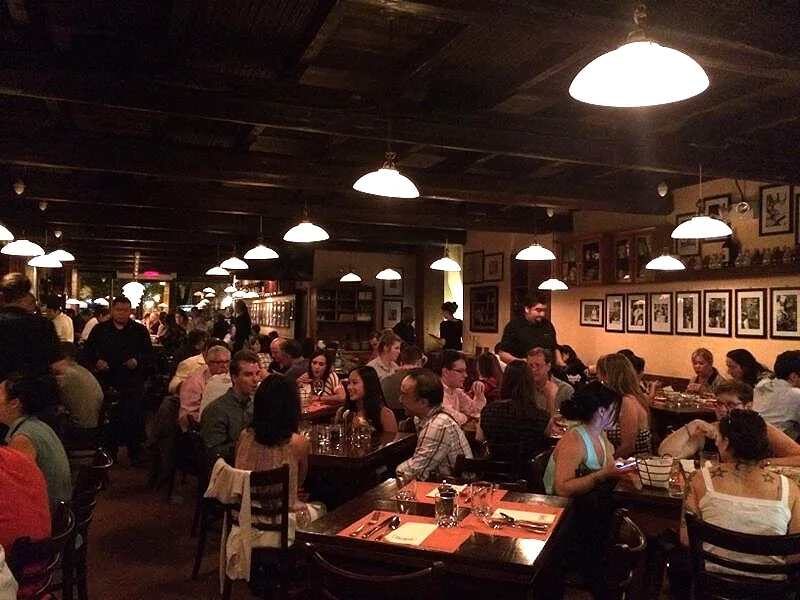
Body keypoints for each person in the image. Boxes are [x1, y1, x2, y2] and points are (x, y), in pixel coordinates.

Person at [679, 410, 800, 573]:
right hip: (770, 591)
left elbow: (686, 539)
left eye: (718, 438)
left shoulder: (698, 479)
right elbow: (795, 555)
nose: (715, 443)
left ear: (727, 442)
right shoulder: (789, 488)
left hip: (712, 585)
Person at [543, 380, 631, 591]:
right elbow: (561, 488)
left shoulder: (600, 435)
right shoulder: (575, 439)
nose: (617, 415)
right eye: (614, 410)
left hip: (585, 511)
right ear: (602, 410)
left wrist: (620, 466)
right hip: (563, 515)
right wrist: (601, 475)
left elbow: (609, 465)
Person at [235, 374, 322, 519]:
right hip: (282, 521)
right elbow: (299, 483)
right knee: (324, 505)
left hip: (244, 517)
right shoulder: (299, 443)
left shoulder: (244, 435)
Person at [659, 380, 800, 465]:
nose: (723, 409)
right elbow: (666, 454)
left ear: (748, 406)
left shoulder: (761, 428)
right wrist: (693, 424)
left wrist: (764, 463)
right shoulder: (710, 429)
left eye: (731, 405)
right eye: (719, 404)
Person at [84, 295, 152, 465]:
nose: (122, 313)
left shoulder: (139, 330)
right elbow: (87, 352)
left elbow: (149, 354)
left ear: (130, 311)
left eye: (125, 310)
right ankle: (109, 450)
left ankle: (135, 449)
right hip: (108, 379)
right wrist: (96, 361)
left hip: (132, 379)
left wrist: (137, 360)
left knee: (133, 415)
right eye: (118, 310)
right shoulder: (100, 329)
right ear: (112, 310)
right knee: (111, 418)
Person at [0, 374, 72, 511]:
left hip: (46, 515)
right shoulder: (37, 425)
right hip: (58, 508)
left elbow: (14, 491)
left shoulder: (23, 438)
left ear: (15, 403)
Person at [396, 368, 472, 481]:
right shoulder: (421, 418)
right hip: (440, 484)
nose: (400, 400)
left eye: (404, 395)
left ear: (423, 403)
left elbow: (411, 473)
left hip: (457, 489)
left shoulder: (438, 425)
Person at [476, 359, 550, 457]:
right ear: (530, 384)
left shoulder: (489, 411)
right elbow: (548, 440)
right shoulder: (542, 418)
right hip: (526, 470)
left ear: (505, 381)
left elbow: (479, 438)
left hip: (493, 469)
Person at [200, 350, 260, 464]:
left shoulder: (255, 405)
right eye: (248, 374)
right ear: (234, 378)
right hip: (227, 472)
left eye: (257, 373)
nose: (255, 380)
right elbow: (214, 453)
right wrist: (250, 445)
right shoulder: (216, 410)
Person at [0, 273, 59, 383]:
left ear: (3, 295)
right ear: (26, 295)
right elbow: (56, 363)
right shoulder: (43, 324)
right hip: (36, 390)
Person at [597, 353, 651, 458]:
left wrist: (604, 466)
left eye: (599, 376)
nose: (598, 380)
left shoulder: (627, 402)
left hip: (633, 465)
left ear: (607, 376)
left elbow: (628, 447)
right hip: (619, 462)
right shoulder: (619, 399)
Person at [50, 341, 103, 446]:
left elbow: (48, 398)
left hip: (81, 430)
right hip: (95, 425)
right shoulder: (81, 370)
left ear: (63, 358)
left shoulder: (66, 375)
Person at [178, 344, 232, 430]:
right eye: (218, 362)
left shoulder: (231, 377)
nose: (224, 366)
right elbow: (186, 417)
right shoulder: (195, 382)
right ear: (208, 363)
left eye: (227, 362)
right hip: (202, 428)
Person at [497, 294, 560, 366]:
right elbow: (503, 354)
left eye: (544, 310)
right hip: (522, 372)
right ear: (527, 309)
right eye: (538, 310)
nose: (542, 314)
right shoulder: (513, 326)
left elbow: (554, 347)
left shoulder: (548, 325)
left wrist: (559, 361)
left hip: (545, 372)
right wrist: (522, 362)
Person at [753, 350, 800, 440]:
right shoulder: (795, 395)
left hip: (758, 441)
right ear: (793, 377)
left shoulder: (761, 386)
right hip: (779, 447)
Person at [337, 366, 397, 433]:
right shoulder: (342, 412)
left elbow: (392, 442)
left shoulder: (385, 414)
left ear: (368, 384)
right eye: (348, 383)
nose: (349, 387)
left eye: (354, 383)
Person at [438, 349, 486, 426]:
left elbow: (474, 410)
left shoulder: (456, 391)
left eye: (465, 371)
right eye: (460, 371)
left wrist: (479, 393)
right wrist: (468, 417)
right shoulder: (436, 392)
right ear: (445, 372)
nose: (465, 375)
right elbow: (457, 420)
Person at [527, 347, 573, 416]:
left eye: (538, 365)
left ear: (548, 366)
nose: (533, 370)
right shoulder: (525, 389)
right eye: (530, 366)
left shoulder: (565, 390)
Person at [381, 345, 425, 411]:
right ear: (419, 362)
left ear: (401, 363)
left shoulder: (384, 381)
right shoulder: (424, 382)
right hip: (416, 418)